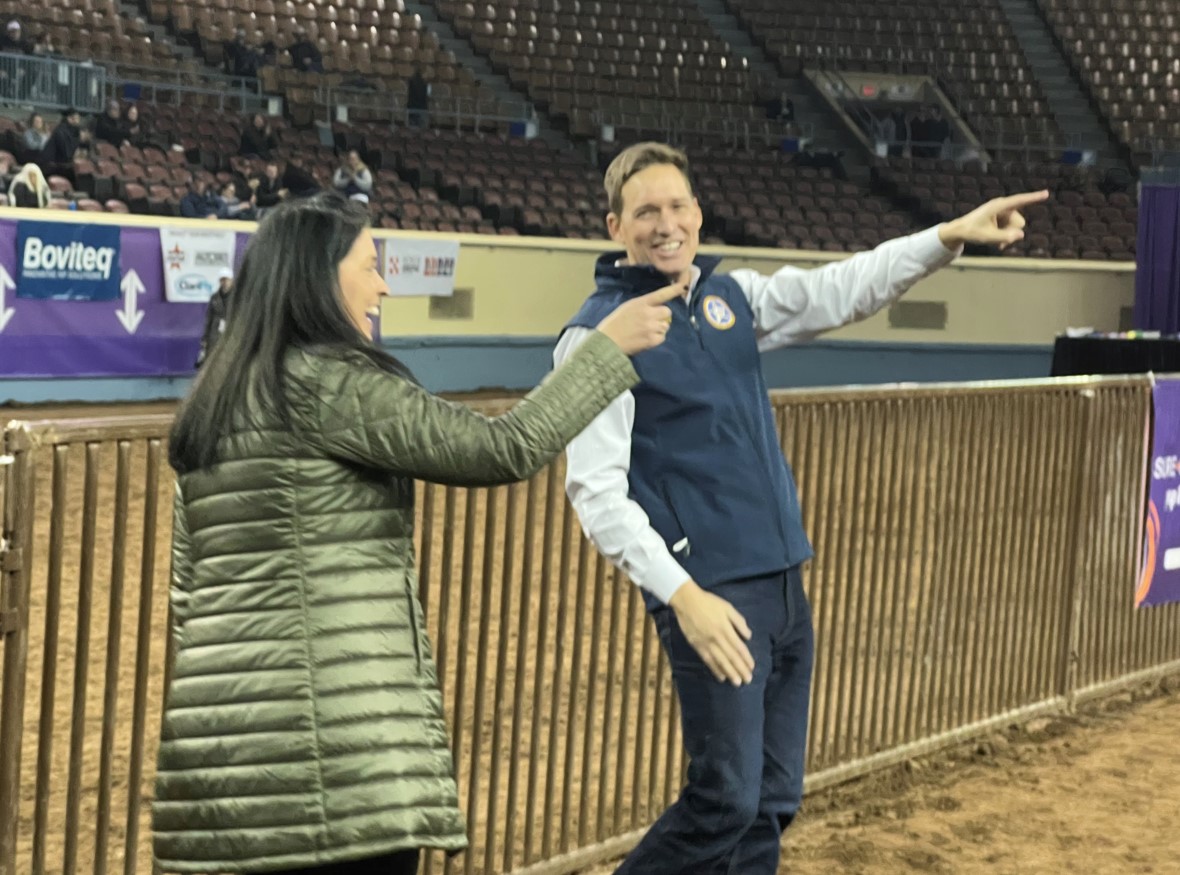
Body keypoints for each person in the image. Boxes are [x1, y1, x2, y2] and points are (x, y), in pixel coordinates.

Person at [153, 191, 684, 875]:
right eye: (369, 265)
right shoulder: (332, 382)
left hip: (212, 762)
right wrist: (605, 349)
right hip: (340, 770)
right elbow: (504, 449)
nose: (381, 284)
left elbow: (185, 595)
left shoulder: (212, 402)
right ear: (319, 276)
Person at [554, 141, 1048, 875]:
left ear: (699, 213)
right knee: (724, 797)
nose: (667, 222)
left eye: (678, 205)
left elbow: (843, 287)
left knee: (772, 800)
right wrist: (684, 597)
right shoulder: (596, 335)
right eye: (646, 210)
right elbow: (596, 492)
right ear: (614, 227)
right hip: (713, 597)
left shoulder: (731, 299)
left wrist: (944, 238)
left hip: (785, 582)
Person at [194, 267, 233, 369]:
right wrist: (205, 338)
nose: (224, 282)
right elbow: (208, 318)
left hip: (231, 334)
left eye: (227, 279)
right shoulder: (214, 297)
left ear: (232, 280)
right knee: (212, 361)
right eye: (222, 279)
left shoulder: (238, 297)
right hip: (214, 334)